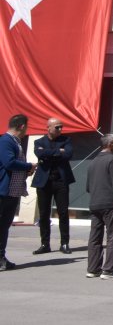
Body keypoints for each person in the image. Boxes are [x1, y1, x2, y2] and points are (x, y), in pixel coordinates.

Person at [86, 134, 113, 279]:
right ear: (111, 144)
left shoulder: (93, 162)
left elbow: (88, 186)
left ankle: (93, 268)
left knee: (95, 237)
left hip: (95, 202)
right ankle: (109, 269)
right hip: (110, 203)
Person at [31, 117, 75, 255]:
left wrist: (50, 153)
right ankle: (45, 243)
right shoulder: (39, 141)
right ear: (48, 128)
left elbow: (68, 154)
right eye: (57, 127)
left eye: (61, 127)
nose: (60, 129)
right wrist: (58, 151)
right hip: (44, 181)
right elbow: (39, 153)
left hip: (61, 181)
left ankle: (65, 243)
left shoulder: (66, 140)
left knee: (63, 212)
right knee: (44, 213)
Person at [0, 114, 35, 271]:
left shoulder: (15, 142)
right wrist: (28, 166)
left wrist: (26, 171)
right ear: (21, 126)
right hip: (3, 192)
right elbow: (9, 162)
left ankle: (1, 256)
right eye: (26, 127)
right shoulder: (6, 141)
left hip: (12, 192)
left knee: (4, 226)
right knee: (1, 226)